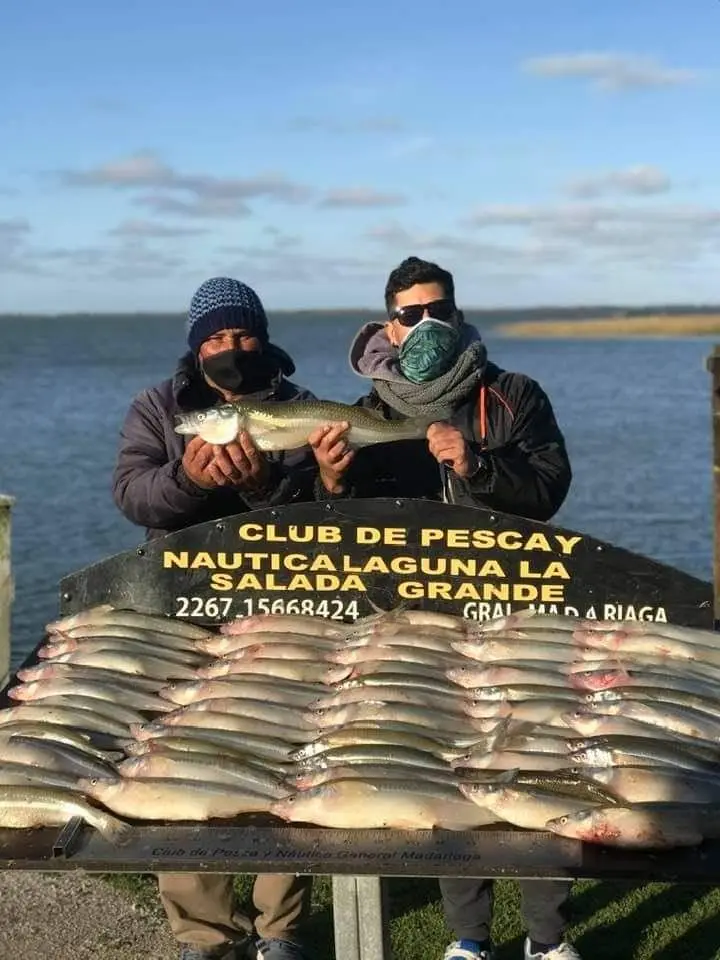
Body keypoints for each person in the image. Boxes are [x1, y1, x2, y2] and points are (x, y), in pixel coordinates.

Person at [308, 256, 579, 960]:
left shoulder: (513, 395)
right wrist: (332, 481)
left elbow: (549, 489)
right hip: (419, 622)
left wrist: (477, 464)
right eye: (409, 314)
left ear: (456, 316)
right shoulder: (363, 414)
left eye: (438, 310)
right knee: (441, 766)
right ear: (387, 327)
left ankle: (547, 938)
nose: (424, 324)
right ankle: (470, 935)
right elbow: (343, 537)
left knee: (535, 755)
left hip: (512, 609)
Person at [112, 277, 315, 960]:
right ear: (196, 348)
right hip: (181, 606)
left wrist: (263, 488)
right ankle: (204, 933)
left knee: (283, 751)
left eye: (242, 335)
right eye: (216, 339)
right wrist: (191, 481)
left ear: (263, 337)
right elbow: (133, 494)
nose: (231, 349)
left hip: (278, 605)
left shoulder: (300, 410)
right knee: (180, 757)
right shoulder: (158, 408)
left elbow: (323, 519)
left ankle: (280, 927)